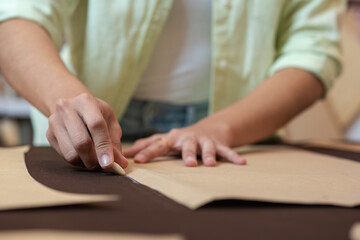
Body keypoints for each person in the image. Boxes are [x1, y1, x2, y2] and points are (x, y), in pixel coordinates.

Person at [0, 0, 344, 170]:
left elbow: (313, 49)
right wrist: (66, 97)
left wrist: (219, 128)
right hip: (89, 138)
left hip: (235, 141)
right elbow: (17, 15)